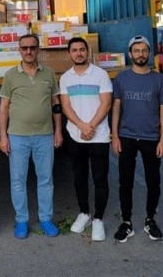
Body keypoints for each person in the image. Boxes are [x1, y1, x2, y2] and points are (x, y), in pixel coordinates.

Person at [0, 34, 63, 239]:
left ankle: (45, 219)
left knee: (45, 179)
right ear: (19, 50)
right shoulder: (10, 75)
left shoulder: (49, 74)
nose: (28, 51)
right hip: (17, 136)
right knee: (18, 180)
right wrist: (3, 137)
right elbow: (3, 108)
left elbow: (56, 103)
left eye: (32, 47)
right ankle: (22, 220)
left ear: (38, 49)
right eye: (24, 48)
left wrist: (58, 129)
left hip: (44, 135)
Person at [111, 35, 163, 243]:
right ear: (130, 54)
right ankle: (126, 222)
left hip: (151, 137)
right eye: (136, 51)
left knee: (153, 181)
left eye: (144, 50)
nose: (140, 54)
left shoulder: (159, 80)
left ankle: (150, 220)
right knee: (125, 182)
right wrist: (115, 136)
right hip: (126, 136)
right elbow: (116, 107)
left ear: (149, 53)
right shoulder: (121, 79)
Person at [59, 37, 112, 242]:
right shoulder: (65, 78)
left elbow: (105, 104)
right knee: (79, 177)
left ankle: (98, 218)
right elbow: (66, 107)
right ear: (69, 54)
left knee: (100, 178)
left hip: (98, 136)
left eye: (82, 49)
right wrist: (81, 126)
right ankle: (84, 213)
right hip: (75, 135)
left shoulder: (101, 74)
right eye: (74, 50)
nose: (79, 53)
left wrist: (90, 127)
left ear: (87, 51)